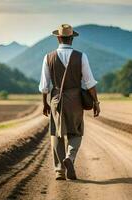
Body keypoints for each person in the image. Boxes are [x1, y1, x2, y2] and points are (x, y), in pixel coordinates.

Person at [39, 24, 100, 180]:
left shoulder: (48, 57)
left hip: (55, 99)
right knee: (76, 131)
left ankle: (59, 171)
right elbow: (89, 83)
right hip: (75, 99)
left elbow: (44, 86)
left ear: (58, 38)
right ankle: (70, 158)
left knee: (56, 133)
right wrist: (96, 102)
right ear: (72, 38)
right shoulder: (81, 56)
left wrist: (45, 104)